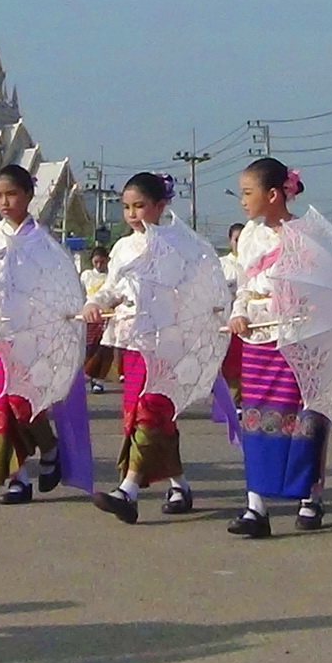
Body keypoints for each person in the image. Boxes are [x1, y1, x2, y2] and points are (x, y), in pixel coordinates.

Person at [225, 157, 332, 539]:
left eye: (247, 192)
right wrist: (240, 313)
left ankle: (310, 494)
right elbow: (245, 284)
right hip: (260, 339)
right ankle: (255, 505)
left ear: (273, 194)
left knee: (305, 420)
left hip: (299, 341)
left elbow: (328, 288)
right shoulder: (249, 236)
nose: (242, 200)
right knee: (258, 421)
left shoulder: (310, 234)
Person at [84, 172, 228, 523]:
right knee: (141, 415)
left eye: (140, 206)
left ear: (161, 206)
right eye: (127, 207)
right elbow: (115, 288)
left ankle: (128, 491)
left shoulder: (182, 246)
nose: (133, 214)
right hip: (132, 343)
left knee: (150, 410)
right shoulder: (122, 247)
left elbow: (201, 291)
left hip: (168, 344)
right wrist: (98, 302)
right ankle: (179, 484)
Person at [0, 165, 91, 505]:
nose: (4, 202)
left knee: (22, 404)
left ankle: (51, 447)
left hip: (28, 338)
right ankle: (17, 477)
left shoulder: (44, 244)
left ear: (28, 196)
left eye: (11, 194)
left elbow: (58, 290)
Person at [218, 222, 247, 404]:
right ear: (230, 241)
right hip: (228, 322)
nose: (240, 244)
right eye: (237, 240)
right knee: (230, 365)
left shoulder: (253, 264)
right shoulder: (222, 265)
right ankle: (230, 402)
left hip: (249, 322)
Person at [80, 245, 114, 393]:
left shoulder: (111, 276)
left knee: (106, 349)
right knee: (91, 348)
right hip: (92, 317)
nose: (99, 265)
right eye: (96, 262)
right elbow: (81, 294)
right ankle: (91, 374)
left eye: (102, 262)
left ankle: (99, 380)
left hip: (109, 317)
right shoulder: (86, 276)